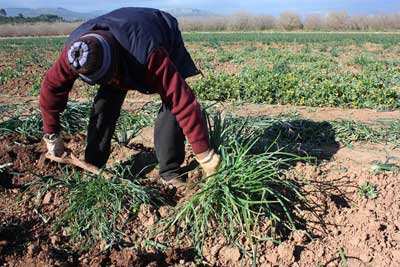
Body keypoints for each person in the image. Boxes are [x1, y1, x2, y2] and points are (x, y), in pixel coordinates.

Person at [40, 7, 221, 185]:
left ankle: (169, 171)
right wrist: (51, 135)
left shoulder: (150, 55)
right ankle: (94, 164)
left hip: (160, 31)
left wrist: (205, 156)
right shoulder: (74, 53)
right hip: (123, 39)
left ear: (114, 60)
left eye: (111, 75)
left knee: (171, 104)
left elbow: (181, 101)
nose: (112, 80)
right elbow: (51, 88)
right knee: (105, 102)